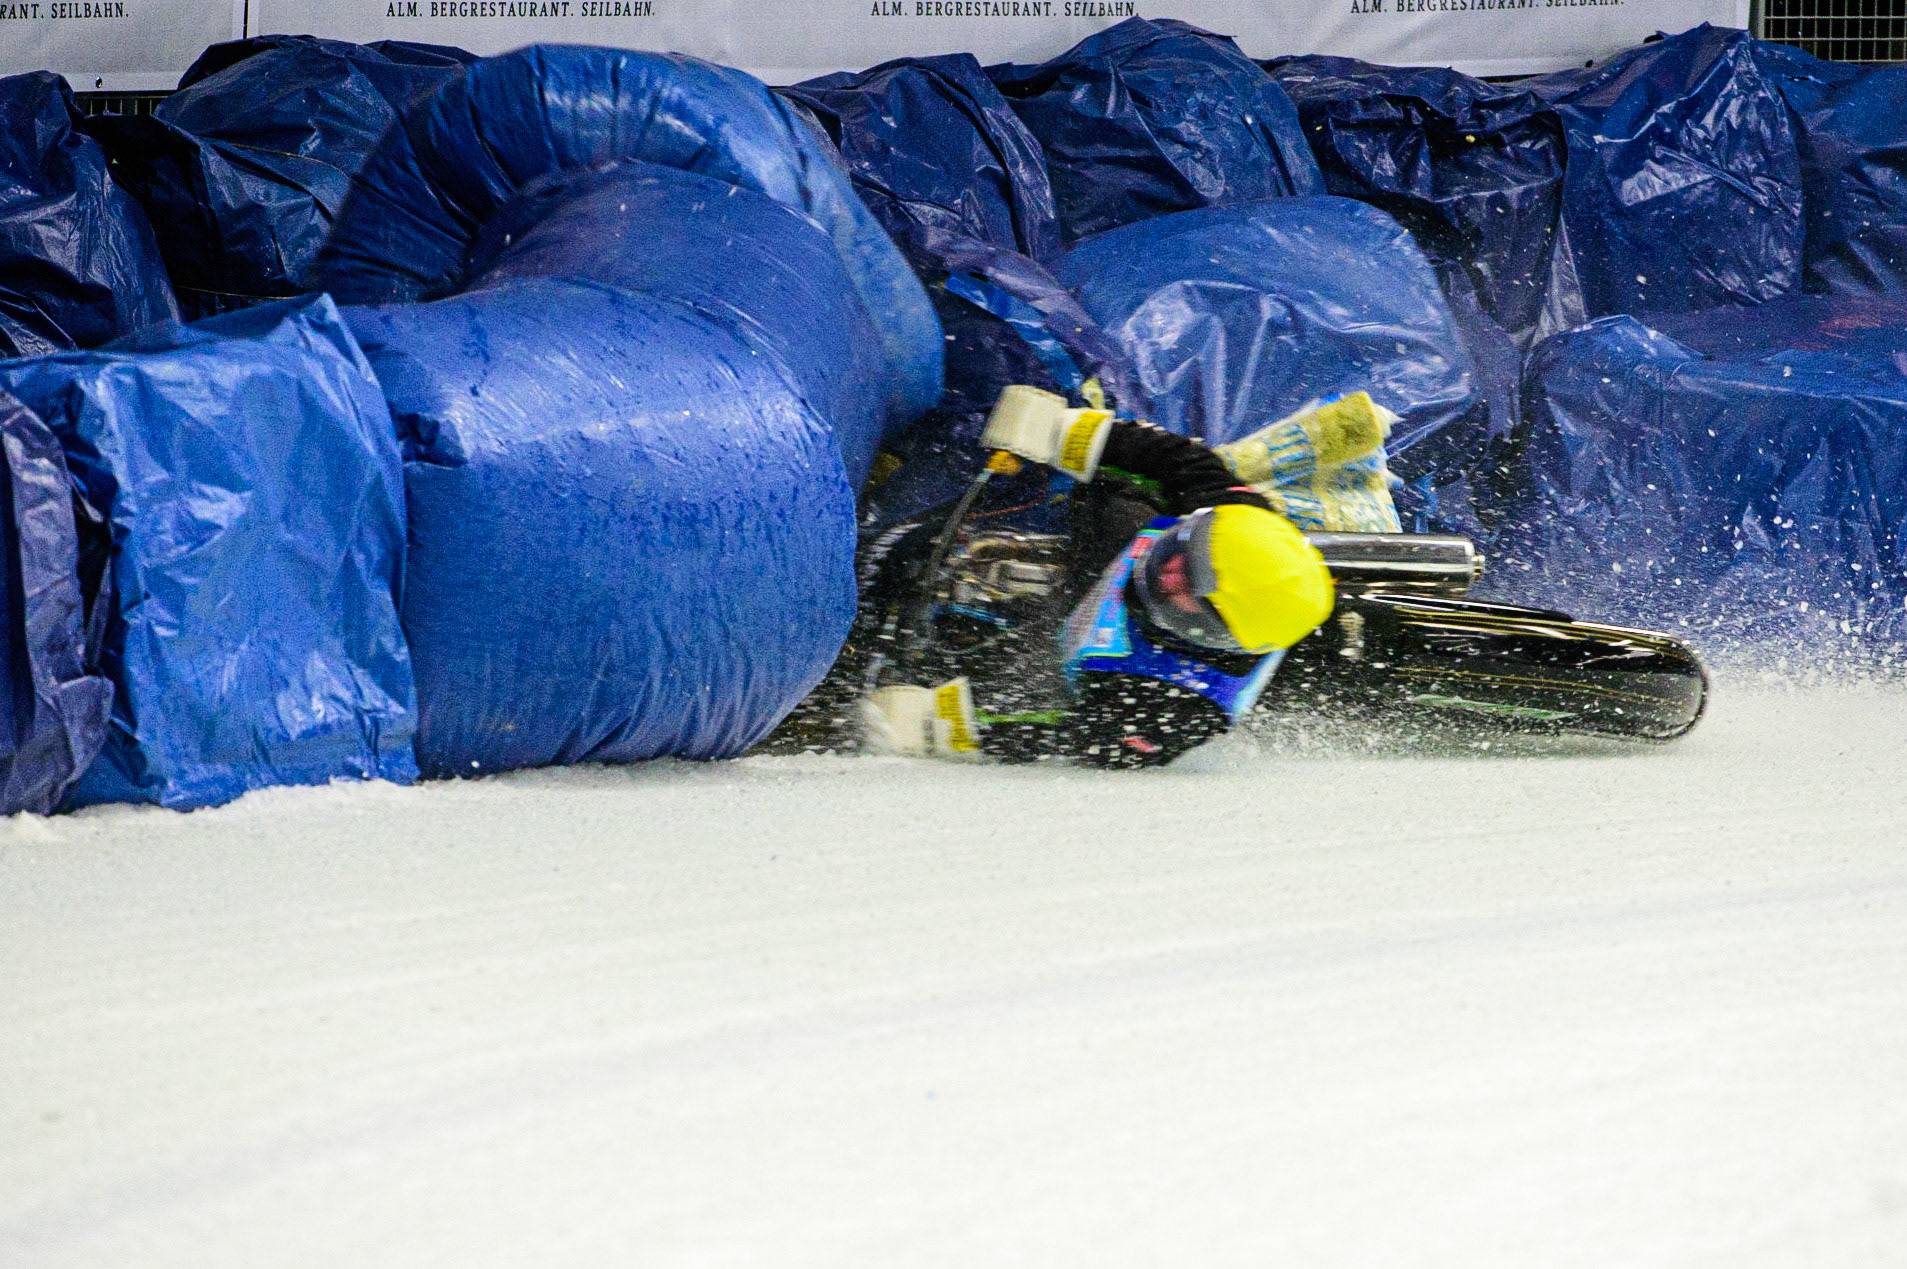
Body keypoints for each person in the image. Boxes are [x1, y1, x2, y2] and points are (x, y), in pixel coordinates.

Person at [771, 385, 1335, 767]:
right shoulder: (1240, 524)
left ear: (1211, 634)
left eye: (1187, 592)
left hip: (1087, 660)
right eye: (1185, 557)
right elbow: (1180, 461)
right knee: (1120, 495)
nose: (1169, 574)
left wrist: (941, 725)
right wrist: (1064, 432)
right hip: (1107, 560)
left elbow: (1066, 732)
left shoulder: (1174, 710)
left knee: (1012, 675)